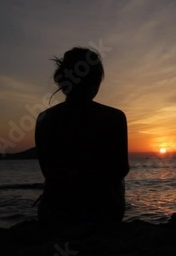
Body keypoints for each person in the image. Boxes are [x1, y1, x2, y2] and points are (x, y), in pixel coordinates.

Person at [35, 47, 129, 226]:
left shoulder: (44, 119)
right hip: (101, 213)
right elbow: (121, 169)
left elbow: (47, 171)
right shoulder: (114, 117)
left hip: (54, 213)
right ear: (96, 82)